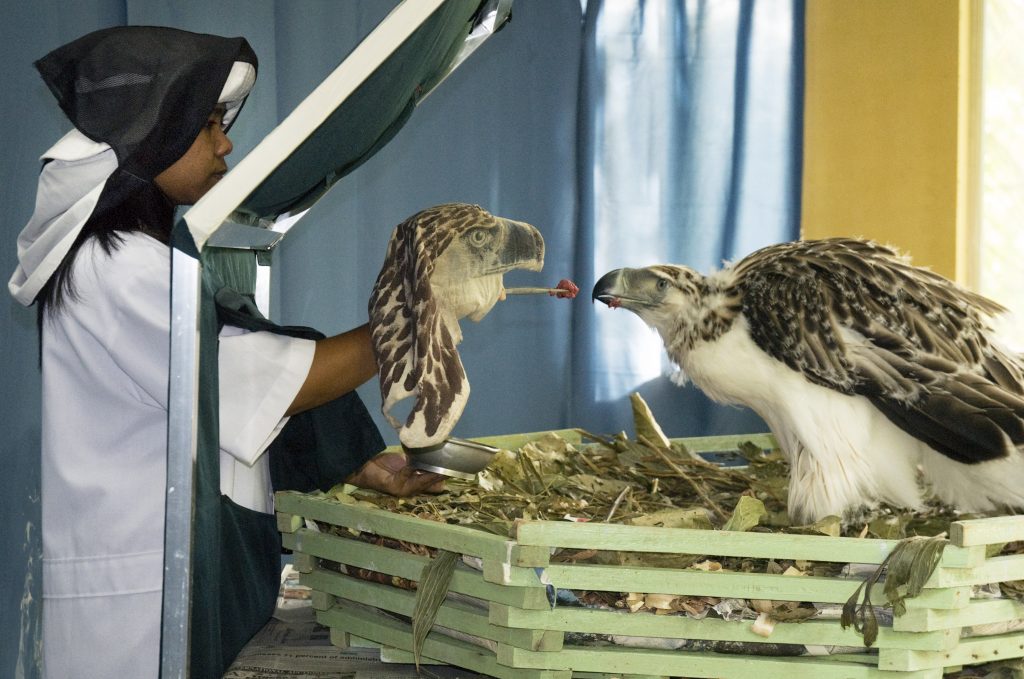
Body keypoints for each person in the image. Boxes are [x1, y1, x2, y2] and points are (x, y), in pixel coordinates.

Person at [9, 26, 444, 679]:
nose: (226, 142)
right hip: (139, 611)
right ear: (155, 133)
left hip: (156, 588)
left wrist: (356, 463)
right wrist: (414, 315)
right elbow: (240, 381)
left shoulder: (146, 257)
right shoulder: (117, 265)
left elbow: (228, 387)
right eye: (209, 123)